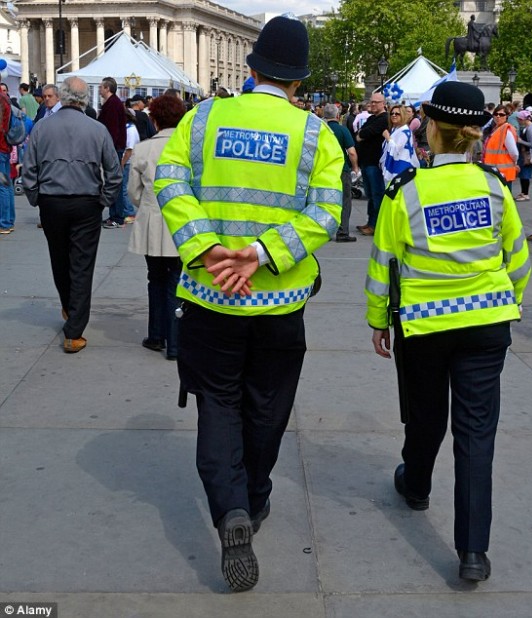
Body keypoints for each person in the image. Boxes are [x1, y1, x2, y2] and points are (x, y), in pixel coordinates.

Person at [154, 15, 343, 592]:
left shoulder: (204, 117)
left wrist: (208, 248)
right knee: (267, 408)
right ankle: (255, 498)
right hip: (280, 302)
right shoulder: (317, 136)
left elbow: (169, 179)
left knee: (217, 402)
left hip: (210, 297)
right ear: (298, 81)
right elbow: (327, 214)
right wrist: (261, 253)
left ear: (253, 67)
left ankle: (229, 507)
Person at [365, 81, 530, 582]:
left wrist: (378, 320)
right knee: (477, 435)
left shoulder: (405, 192)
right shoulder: (495, 188)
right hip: (486, 325)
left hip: (425, 326)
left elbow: (383, 265)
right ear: (476, 135)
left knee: (426, 413)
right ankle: (473, 552)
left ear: (430, 130)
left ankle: (416, 485)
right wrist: (507, 302)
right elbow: (518, 261)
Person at [22, 77, 122, 353]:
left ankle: (69, 308)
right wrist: (104, 199)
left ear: (63, 97)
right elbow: (114, 172)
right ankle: (74, 329)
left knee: (59, 257)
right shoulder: (97, 129)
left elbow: (28, 169)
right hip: (86, 202)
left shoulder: (42, 127)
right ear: (85, 98)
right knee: (82, 262)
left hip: (52, 201)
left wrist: (35, 197)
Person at [128, 95, 186, 360]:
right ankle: (175, 343)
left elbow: (133, 192)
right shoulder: (189, 148)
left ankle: (156, 335)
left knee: (155, 278)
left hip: (152, 219)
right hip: (182, 221)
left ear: (154, 119)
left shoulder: (143, 149)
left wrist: (148, 205)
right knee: (176, 280)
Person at [323, 103, 359, 242]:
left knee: (325, 200)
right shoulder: (343, 130)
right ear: (338, 116)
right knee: (345, 200)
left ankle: (324, 230)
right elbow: (351, 152)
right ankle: (343, 231)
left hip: (323, 169)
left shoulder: (321, 130)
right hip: (341, 169)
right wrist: (355, 167)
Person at [356, 93, 388, 236]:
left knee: (376, 194)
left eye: (376, 102)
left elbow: (365, 133)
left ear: (383, 103)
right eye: (372, 102)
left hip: (374, 163)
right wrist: (362, 134)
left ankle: (376, 225)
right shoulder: (371, 118)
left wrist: (362, 134)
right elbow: (358, 133)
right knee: (370, 194)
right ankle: (370, 222)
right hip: (366, 161)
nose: (373, 104)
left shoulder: (384, 119)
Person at [98, 77, 127, 228]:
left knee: (115, 181)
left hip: (114, 148)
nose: (99, 89)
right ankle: (114, 214)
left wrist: (109, 148)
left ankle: (117, 216)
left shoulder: (112, 104)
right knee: (112, 181)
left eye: (101, 87)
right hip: (114, 147)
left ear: (107, 88)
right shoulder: (112, 103)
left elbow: (112, 130)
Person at [482, 104, 519, 191]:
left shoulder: (506, 130)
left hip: (503, 173)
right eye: (496, 114)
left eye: (501, 114)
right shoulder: (496, 129)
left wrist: (514, 163)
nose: (498, 116)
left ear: (506, 116)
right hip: (495, 171)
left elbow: (514, 152)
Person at [380, 104, 419, 185]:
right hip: (393, 166)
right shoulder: (395, 128)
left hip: (400, 168)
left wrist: (388, 138)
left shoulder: (405, 131)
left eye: (397, 114)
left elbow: (396, 150)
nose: (394, 115)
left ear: (403, 115)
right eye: (392, 113)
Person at [0, 87, 14, 234]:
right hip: (4, 146)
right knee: (6, 184)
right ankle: (9, 220)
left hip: (0, 146)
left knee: (2, 185)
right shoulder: (5, 97)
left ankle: (4, 222)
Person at [514, 110, 532, 202]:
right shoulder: (527, 127)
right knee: (523, 174)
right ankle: (523, 192)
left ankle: (525, 193)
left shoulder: (530, 128)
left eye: (519, 119)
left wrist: (520, 141)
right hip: (524, 153)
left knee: (525, 174)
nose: (518, 121)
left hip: (527, 155)